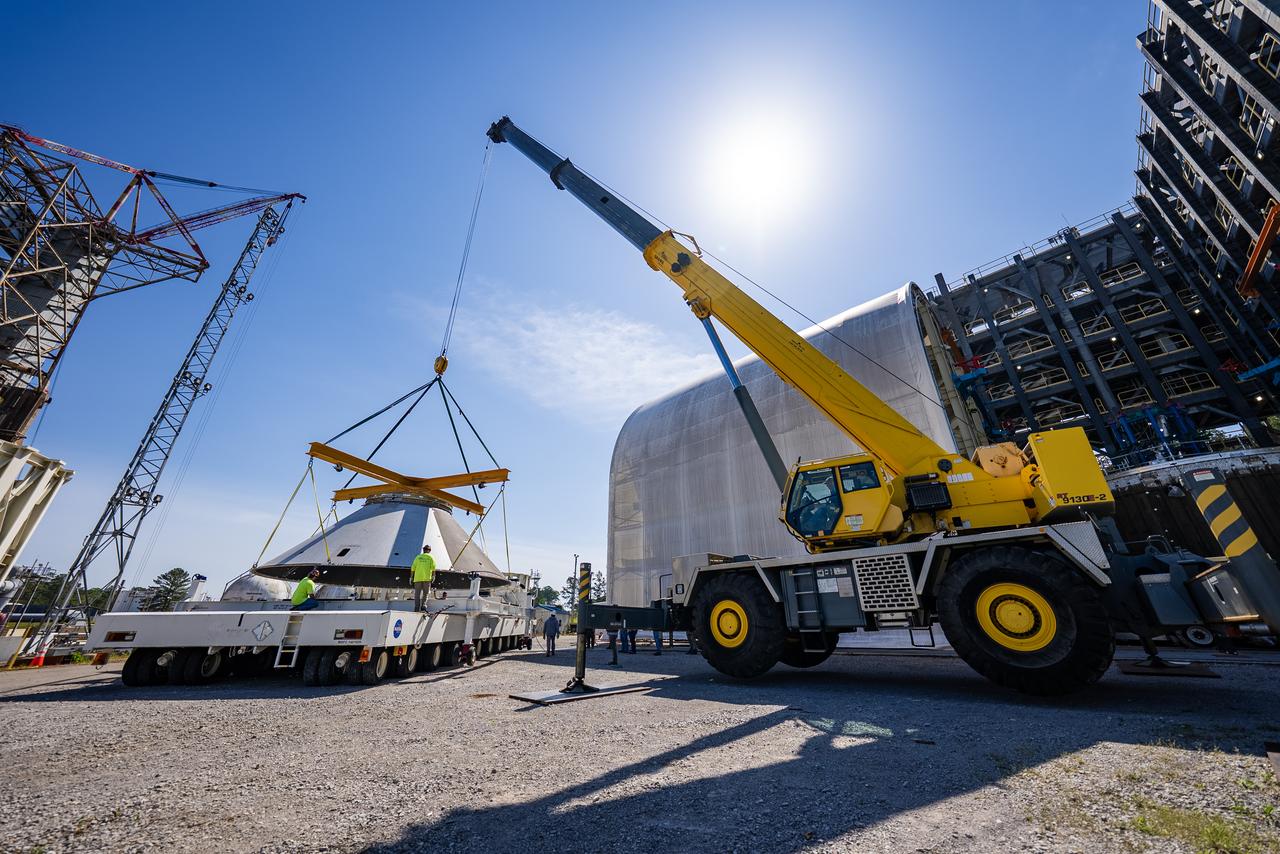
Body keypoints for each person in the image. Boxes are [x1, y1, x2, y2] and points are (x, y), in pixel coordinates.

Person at [411, 544, 436, 612]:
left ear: (423, 550)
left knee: (417, 594)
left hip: (417, 578)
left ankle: (416, 608)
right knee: (426, 593)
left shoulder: (418, 557)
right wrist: (433, 576)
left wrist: (411, 577)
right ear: (429, 551)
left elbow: (413, 568)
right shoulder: (431, 557)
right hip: (427, 578)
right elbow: (433, 568)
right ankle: (423, 606)